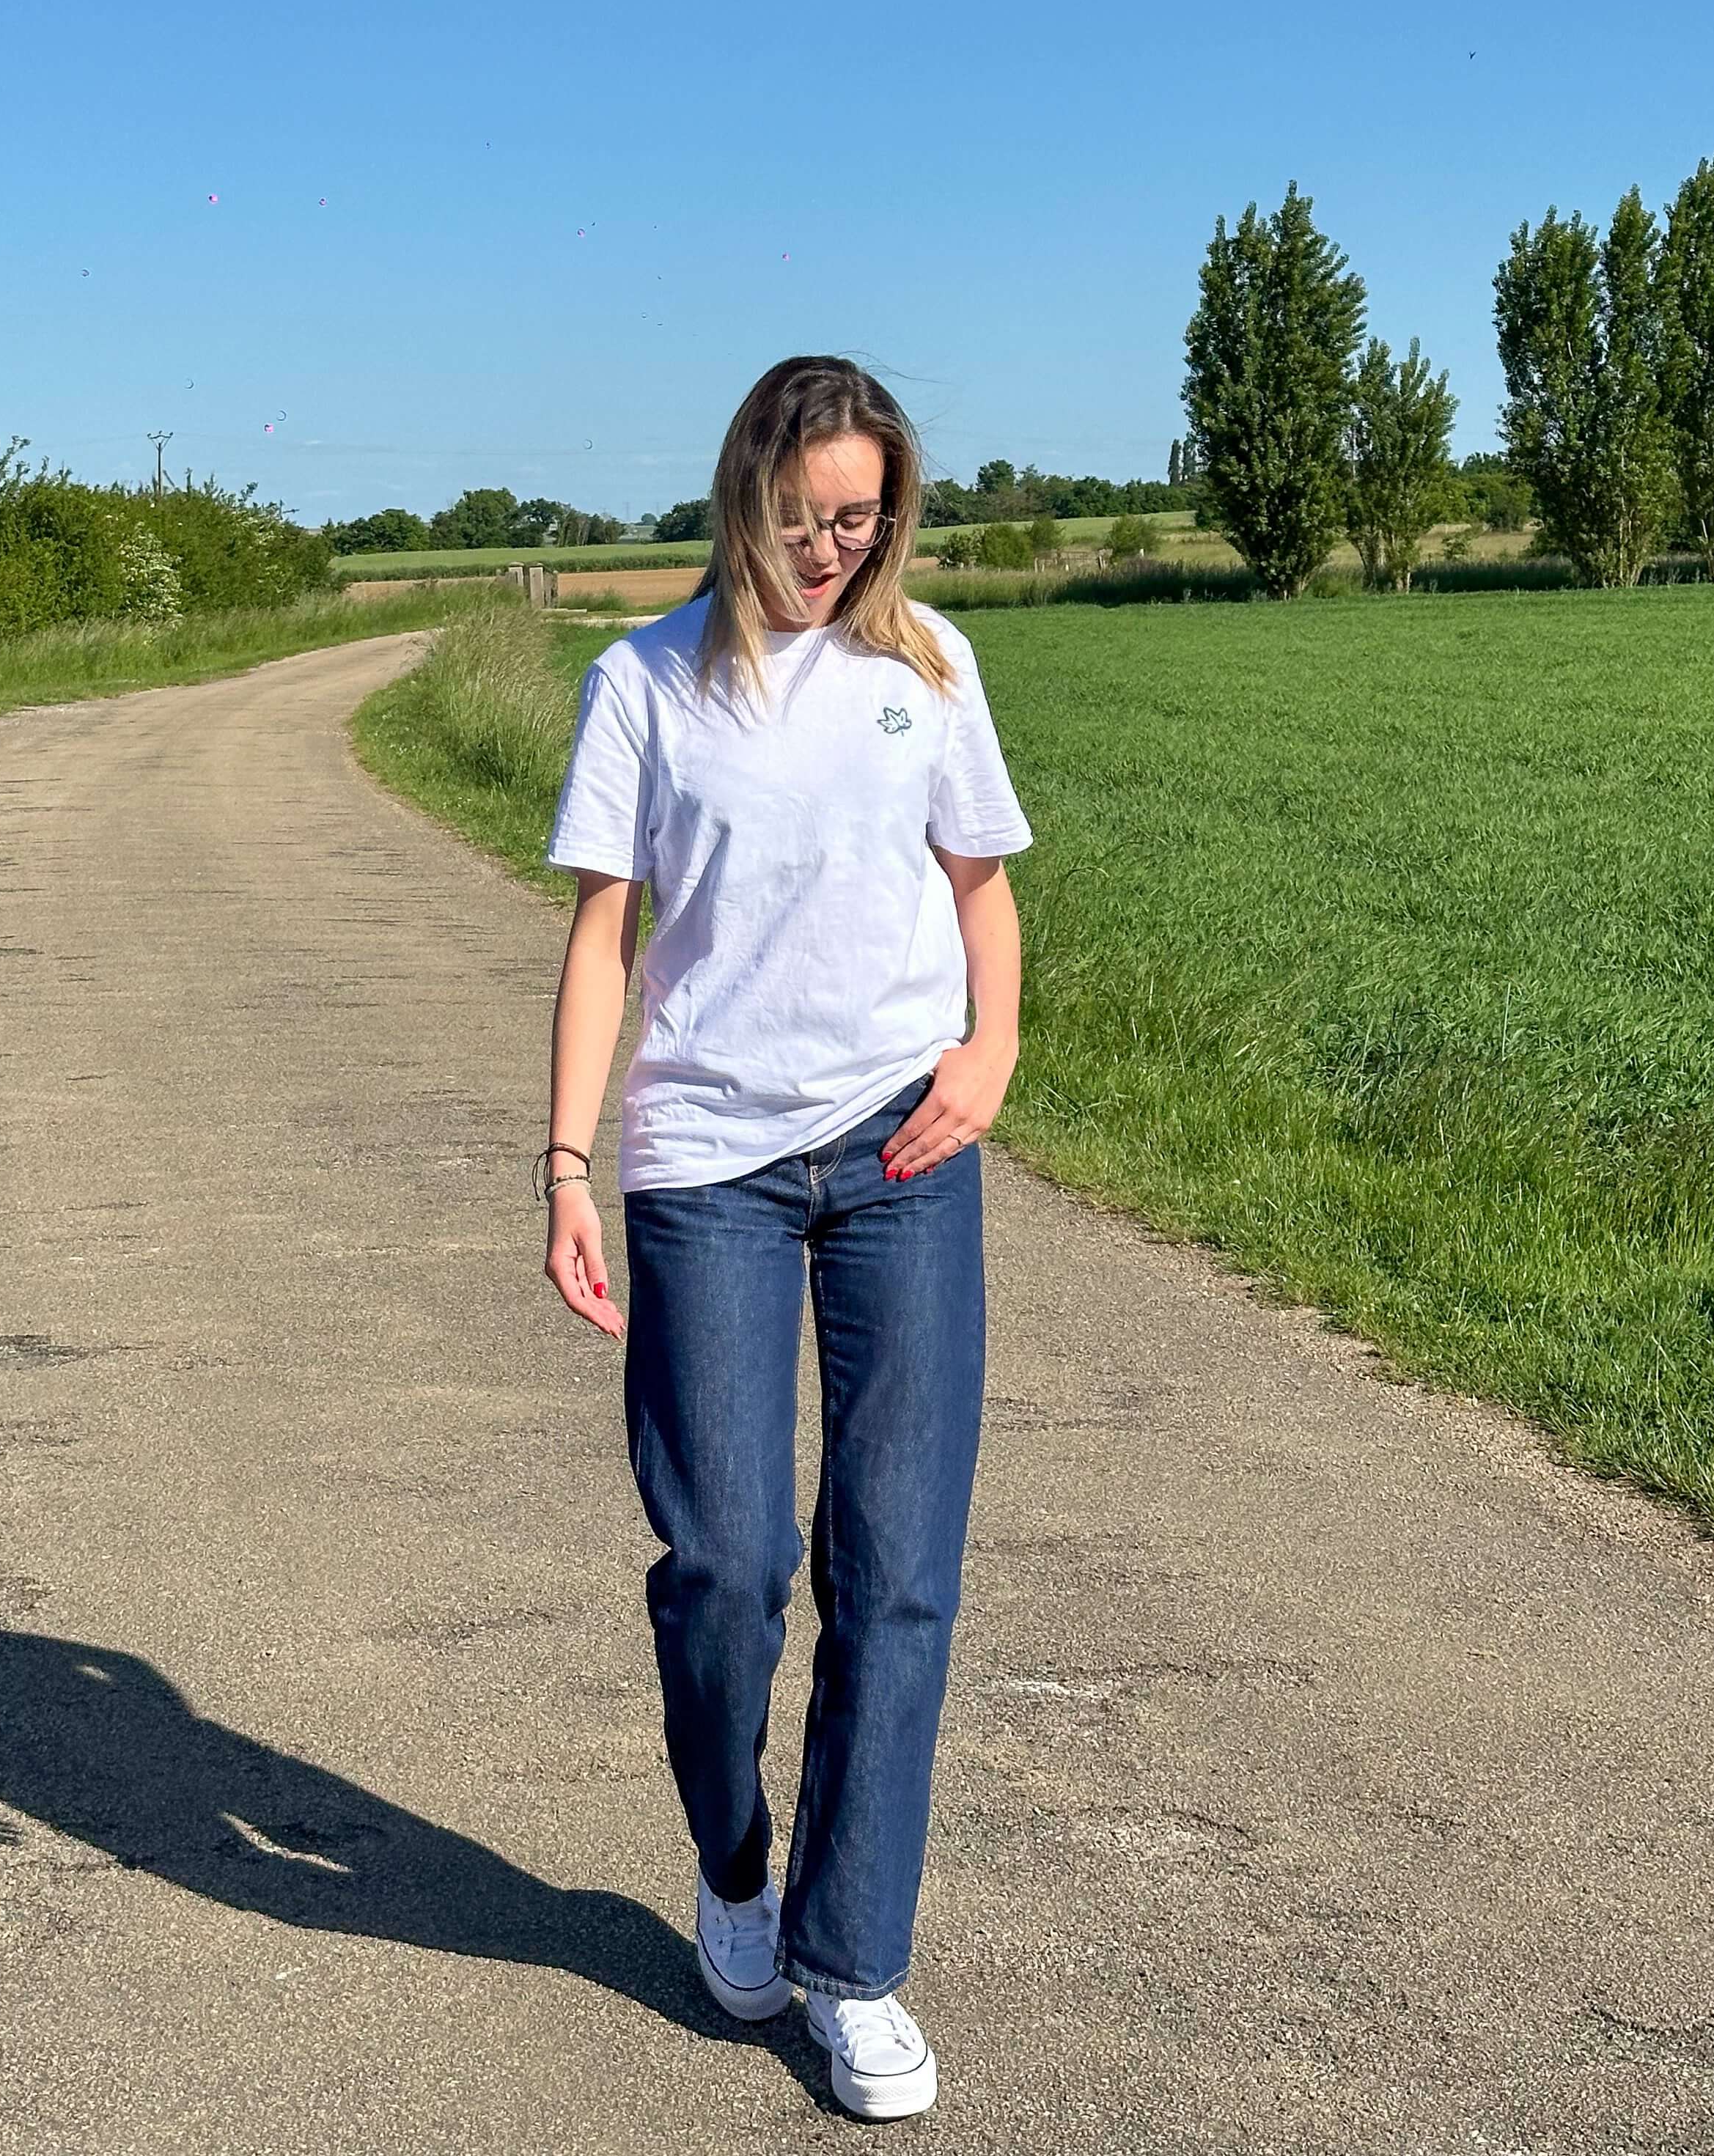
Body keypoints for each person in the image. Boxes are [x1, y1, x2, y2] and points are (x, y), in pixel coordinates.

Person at [538, 354, 1032, 2121]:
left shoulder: (929, 664)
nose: (840, 545)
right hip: (708, 1170)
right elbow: (608, 935)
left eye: (868, 513)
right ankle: (735, 1873)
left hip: (903, 1155)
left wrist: (990, 1051)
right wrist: (565, 1166)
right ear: (746, 488)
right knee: (730, 1563)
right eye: (813, 511)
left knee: (897, 1570)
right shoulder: (647, 684)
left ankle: (855, 1965)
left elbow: (984, 887)